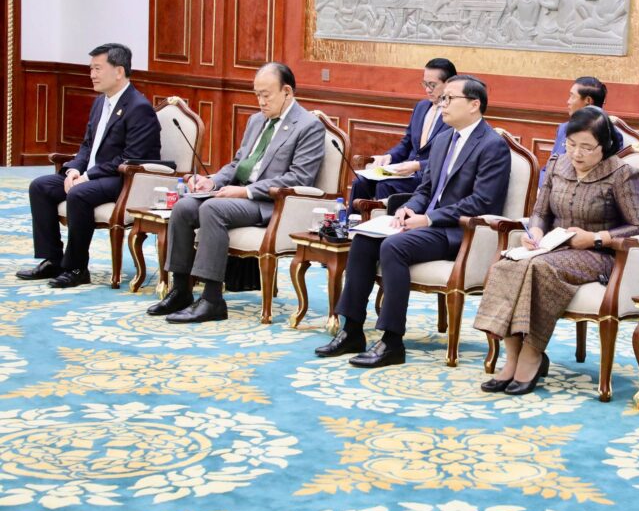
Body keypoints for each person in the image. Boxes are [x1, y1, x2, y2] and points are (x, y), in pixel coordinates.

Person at [314, 75, 511, 366]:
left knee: (394, 246)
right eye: (442, 99)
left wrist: (429, 218)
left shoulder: (492, 145)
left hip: (461, 232)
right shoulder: (444, 140)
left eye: (449, 98)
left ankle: (392, 341)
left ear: (474, 104)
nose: (442, 104)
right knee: (363, 239)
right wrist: (409, 209)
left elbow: (482, 202)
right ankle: (352, 330)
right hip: (428, 225)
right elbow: (426, 189)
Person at [474, 106, 639, 395]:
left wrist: (596, 238)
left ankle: (532, 355)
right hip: (551, 248)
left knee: (539, 268)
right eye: (571, 144)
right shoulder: (558, 164)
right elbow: (540, 212)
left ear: (604, 145)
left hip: (599, 255)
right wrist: (535, 233)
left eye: (586, 147)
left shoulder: (622, 173)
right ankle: (512, 357)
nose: (577, 154)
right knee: (506, 264)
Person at [146, 62, 325, 323]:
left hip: (270, 203)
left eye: (266, 95)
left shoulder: (308, 126)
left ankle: (212, 300)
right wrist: (212, 182)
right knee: (184, 207)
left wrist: (246, 191)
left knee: (212, 209)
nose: (261, 102)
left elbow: (299, 178)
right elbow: (238, 164)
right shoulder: (256, 120)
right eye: (257, 94)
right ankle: (181, 290)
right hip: (236, 193)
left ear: (287, 92)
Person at [18, 43, 160, 288]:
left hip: (124, 179)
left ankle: (77, 267)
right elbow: (87, 145)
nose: (91, 74)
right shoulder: (100, 103)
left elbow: (131, 157)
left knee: (79, 194)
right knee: (40, 187)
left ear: (119, 71)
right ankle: (53, 260)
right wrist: (74, 169)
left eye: (97, 68)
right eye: (90, 69)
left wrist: (88, 176)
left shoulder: (139, 108)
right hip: (93, 175)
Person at [350, 58, 456, 205]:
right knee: (360, 182)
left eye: (432, 85)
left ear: (449, 84)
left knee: (385, 185)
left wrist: (418, 165)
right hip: (406, 172)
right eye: (425, 84)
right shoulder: (421, 107)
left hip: (429, 176)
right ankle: (350, 220)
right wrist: (389, 156)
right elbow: (407, 143)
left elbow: (453, 156)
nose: (427, 90)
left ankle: (385, 221)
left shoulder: (455, 113)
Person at [539, 77, 624, 185]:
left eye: (572, 96)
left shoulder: (609, 134)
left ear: (588, 101)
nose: (568, 102)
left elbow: (606, 177)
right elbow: (548, 169)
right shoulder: (564, 128)